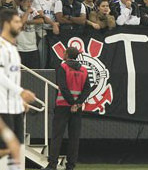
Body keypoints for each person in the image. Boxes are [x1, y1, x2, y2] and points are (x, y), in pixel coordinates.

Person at [44, 46, 91, 170]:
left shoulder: (63, 67)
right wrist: (78, 103)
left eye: (64, 52)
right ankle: (70, 166)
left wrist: (71, 103)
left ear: (67, 55)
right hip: (77, 108)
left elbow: (63, 87)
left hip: (63, 106)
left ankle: (52, 164)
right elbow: (87, 89)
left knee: (57, 136)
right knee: (74, 138)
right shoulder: (84, 70)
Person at [0, 9, 36, 170]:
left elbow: (13, 77)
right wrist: (21, 92)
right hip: (3, 107)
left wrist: (19, 98)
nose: (20, 25)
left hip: (15, 107)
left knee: (19, 149)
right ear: (6, 24)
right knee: (7, 151)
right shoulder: (1, 48)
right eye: (16, 21)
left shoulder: (13, 49)